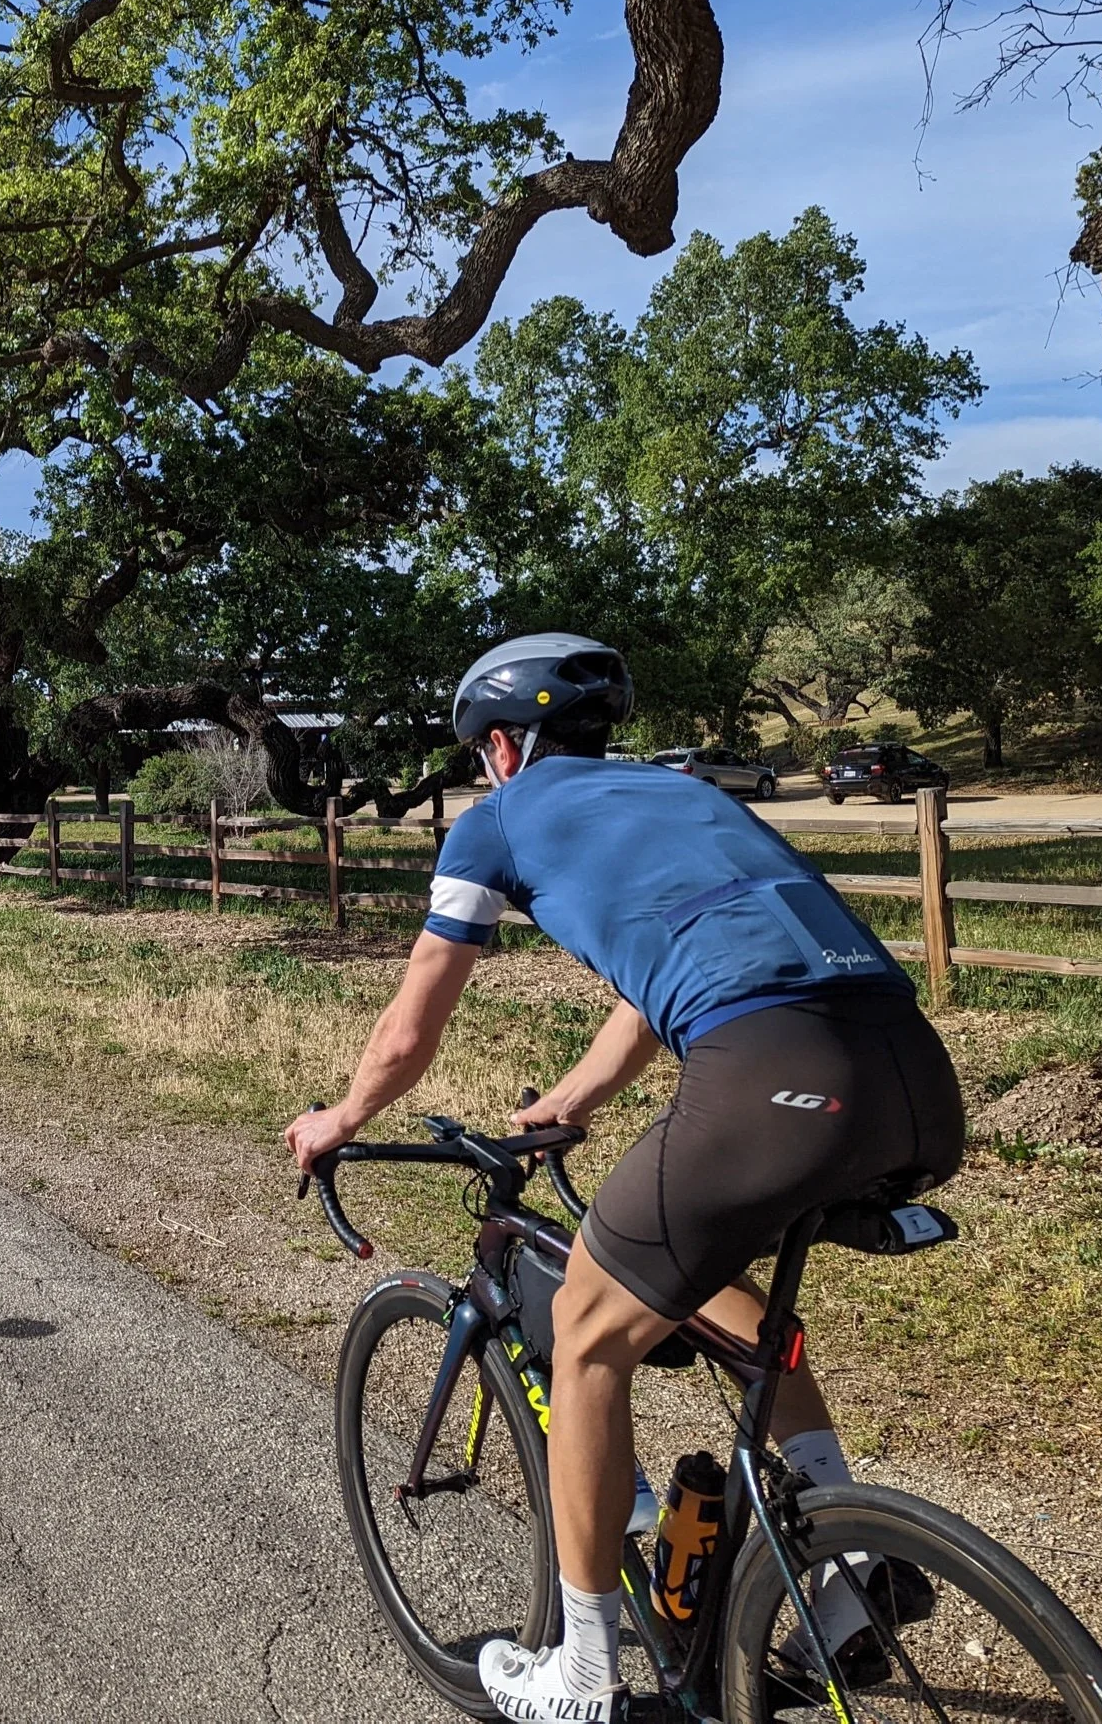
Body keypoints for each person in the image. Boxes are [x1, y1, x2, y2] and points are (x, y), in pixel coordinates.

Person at [285, 633, 964, 1724]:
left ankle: (583, 1672)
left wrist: (343, 1115)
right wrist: (576, 1099)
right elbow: (670, 980)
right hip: (912, 1075)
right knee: (712, 1285)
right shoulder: (682, 794)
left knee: (593, 1338)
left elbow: (413, 1020)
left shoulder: (493, 822)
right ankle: (845, 1578)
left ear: (499, 745)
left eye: (478, 751)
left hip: (771, 1078)